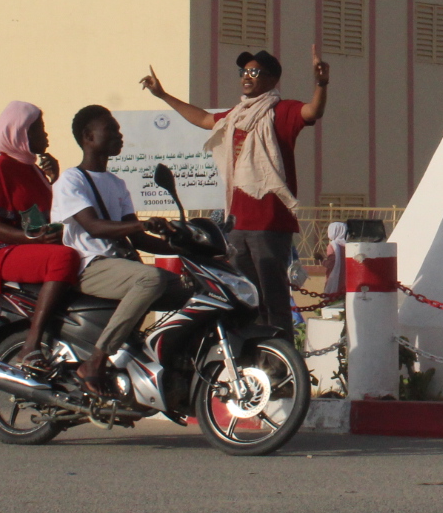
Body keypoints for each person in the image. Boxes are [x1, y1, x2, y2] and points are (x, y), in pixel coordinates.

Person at [141, 48, 328, 330]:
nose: (246, 77)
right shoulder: (235, 116)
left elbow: (313, 111)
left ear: (272, 79)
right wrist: (163, 95)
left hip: (270, 223)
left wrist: (321, 83)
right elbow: (203, 119)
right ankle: (252, 353)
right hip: (237, 225)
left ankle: (280, 354)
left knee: (273, 300)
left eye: (254, 72)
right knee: (245, 300)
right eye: (243, 72)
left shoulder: (281, 110)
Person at [51, 104, 179, 394]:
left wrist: (184, 246)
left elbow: (140, 240)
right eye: (111, 130)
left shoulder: (117, 183)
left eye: (119, 131)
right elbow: (94, 227)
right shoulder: (71, 180)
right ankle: (95, 362)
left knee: (190, 287)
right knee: (151, 278)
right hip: (90, 265)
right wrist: (141, 224)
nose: (119, 136)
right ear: (88, 136)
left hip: (118, 266)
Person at [0, 101, 82, 367]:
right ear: (21, 133)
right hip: (2, 253)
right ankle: (31, 344)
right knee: (64, 258)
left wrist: (53, 180)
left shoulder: (35, 171)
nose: (46, 134)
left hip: (31, 250)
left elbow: (47, 215)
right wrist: (34, 238)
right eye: (39, 129)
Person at [319, 220, 348, 301]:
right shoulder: (348, 245)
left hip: (335, 278)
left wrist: (321, 260)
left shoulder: (333, 246)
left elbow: (331, 264)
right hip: (346, 278)